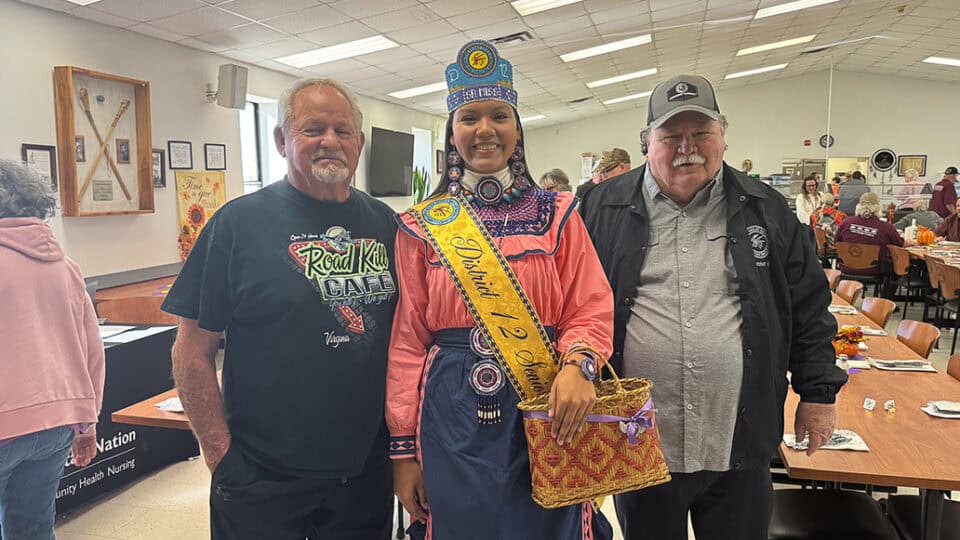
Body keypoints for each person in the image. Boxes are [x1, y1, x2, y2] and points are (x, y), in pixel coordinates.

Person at [580, 74, 847, 540]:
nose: (688, 147)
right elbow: (575, 306)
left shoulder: (767, 209)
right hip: (639, 439)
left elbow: (809, 306)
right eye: (671, 135)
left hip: (739, 439)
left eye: (701, 133)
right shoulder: (601, 209)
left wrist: (818, 393)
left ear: (723, 136)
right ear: (646, 143)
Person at [387, 40, 615, 539]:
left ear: (517, 129)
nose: (485, 130)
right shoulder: (421, 226)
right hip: (449, 413)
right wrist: (404, 451)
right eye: (469, 118)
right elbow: (407, 342)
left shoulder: (559, 214)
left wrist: (580, 365)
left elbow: (590, 307)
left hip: (549, 403)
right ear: (453, 133)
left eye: (499, 116)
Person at [161, 78, 398, 539]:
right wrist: (220, 456)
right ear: (280, 140)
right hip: (261, 476)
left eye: (342, 130)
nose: (330, 141)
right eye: (313, 129)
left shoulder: (386, 225)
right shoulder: (236, 224)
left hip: (364, 472)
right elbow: (191, 350)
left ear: (359, 143)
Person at [0, 159, 104, 539]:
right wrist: (87, 422)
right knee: (32, 529)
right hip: (57, 424)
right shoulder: (65, 266)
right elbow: (91, 350)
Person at [835, 192, 911, 299]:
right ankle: (884, 301)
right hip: (874, 269)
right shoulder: (886, 227)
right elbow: (899, 244)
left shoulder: (845, 223)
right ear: (878, 207)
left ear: (858, 206)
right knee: (894, 267)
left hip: (847, 267)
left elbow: (837, 241)